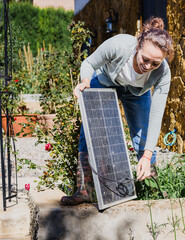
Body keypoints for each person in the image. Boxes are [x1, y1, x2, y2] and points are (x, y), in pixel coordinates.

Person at [61, 17, 174, 205]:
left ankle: (152, 191)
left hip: (137, 94)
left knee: (143, 138)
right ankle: (84, 190)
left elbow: (156, 116)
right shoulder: (120, 45)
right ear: (138, 46)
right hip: (105, 82)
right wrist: (86, 82)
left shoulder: (163, 72)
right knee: (88, 132)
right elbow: (89, 63)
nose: (148, 66)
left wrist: (146, 156)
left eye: (155, 63)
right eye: (145, 59)